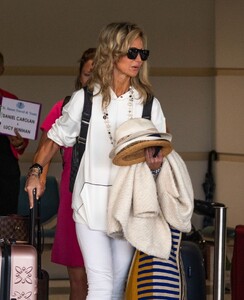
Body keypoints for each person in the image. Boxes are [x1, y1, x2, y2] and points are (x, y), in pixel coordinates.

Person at [25, 22, 167, 299]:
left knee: (116, 284)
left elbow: (160, 151)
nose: (138, 59)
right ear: (112, 53)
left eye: (143, 53)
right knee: (101, 283)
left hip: (128, 205)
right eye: (132, 52)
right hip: (89, 203)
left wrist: (155, 163)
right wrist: (35, 171)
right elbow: (54, 138)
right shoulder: (85, 99)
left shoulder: (148, 104)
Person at [36, 48, 96, 300]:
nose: (91, 80)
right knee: (78, 276)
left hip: (106, 195)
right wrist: (39, 178)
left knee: (105, 276)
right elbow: (46, 147)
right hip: (72, 194)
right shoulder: (65, 106)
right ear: (79, 77)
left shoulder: (117, 108)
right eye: (86, 74)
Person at [0, 51, 29, 215]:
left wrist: (19, 143)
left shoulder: (11, 100)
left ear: (2, 69)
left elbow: (21, 143)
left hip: (6, 172)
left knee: (6, 219)